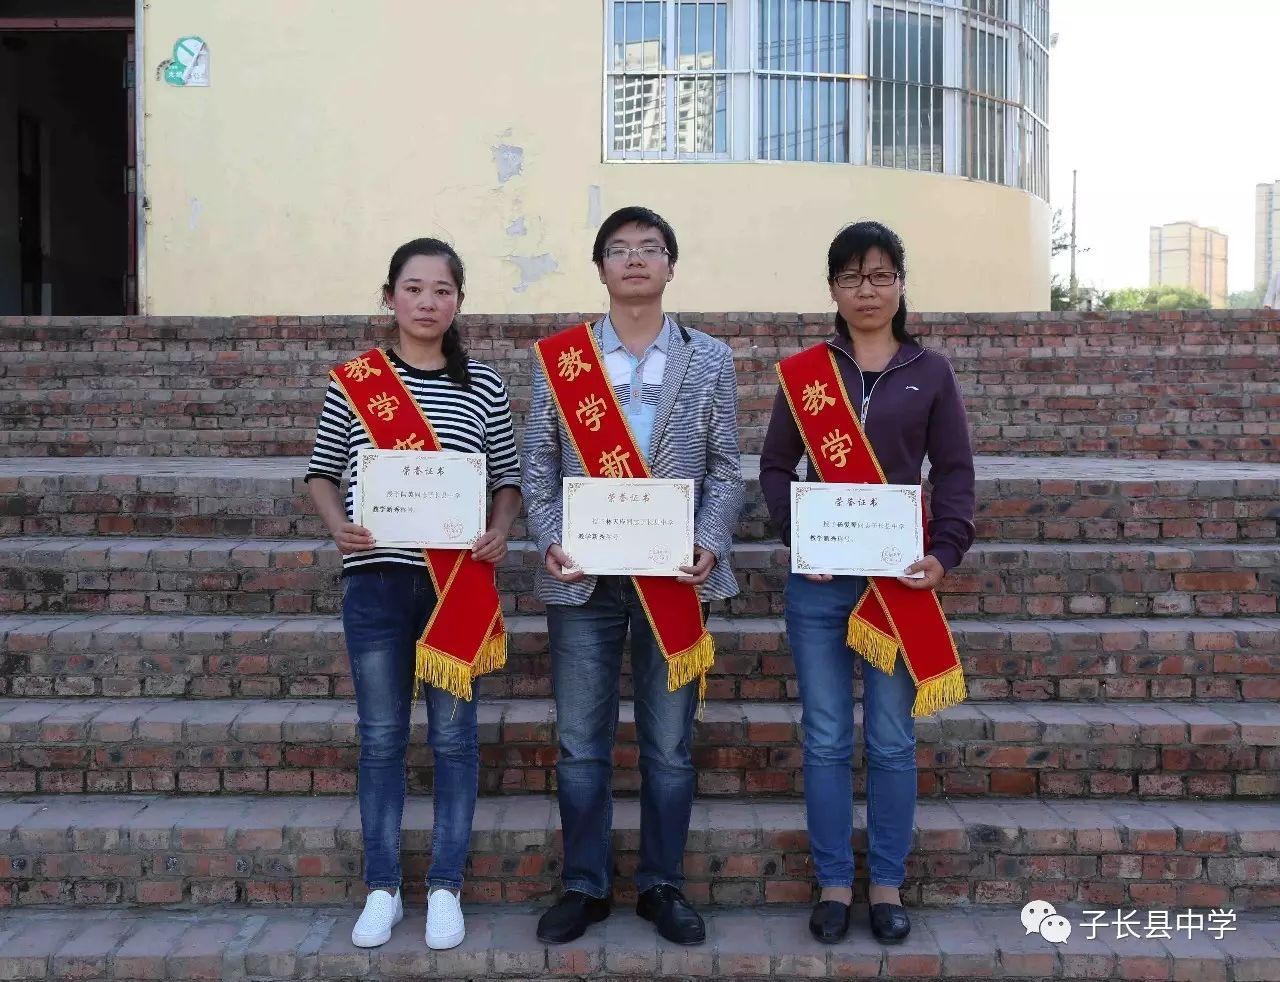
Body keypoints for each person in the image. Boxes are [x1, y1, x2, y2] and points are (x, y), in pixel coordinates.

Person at [521, 206, 745, 946]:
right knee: (582, 744)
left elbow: (724, 467)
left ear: (671, 267)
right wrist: (549, 539)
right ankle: (584, 885)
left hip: (671, 577)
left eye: (650, 249)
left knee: (669, 748)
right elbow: (538, 464)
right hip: (582, 577)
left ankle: (661, 884)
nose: (635, 259)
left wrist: (710, 542)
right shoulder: (561, 359)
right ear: (601, 269)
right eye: (619, 250)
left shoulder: (710, 358)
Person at [759, 221, 975, 946]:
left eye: (881, 275)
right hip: (821, 584)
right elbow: (773, 469)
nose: (867, 289)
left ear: (901, 284)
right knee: (824, 737)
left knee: (888, 738)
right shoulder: (807, 374)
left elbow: (955, 473)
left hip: (897, 584)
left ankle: (885, 882)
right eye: (852, 277)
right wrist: (800, 537)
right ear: (832, 289)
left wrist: (943, 553)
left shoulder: (930, 371)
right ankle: (831, 883)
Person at [304, 238, 522, 951]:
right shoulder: (356, 381)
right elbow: (321, 471)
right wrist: (339, 526)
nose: (429, 302)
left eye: (443, 290)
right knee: (382, 739)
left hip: (456, 585)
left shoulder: (482, 385)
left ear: (460, 300)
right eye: (415, 288)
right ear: (390, 295)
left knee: (456, 741)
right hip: (375, 583)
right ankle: (383, 887)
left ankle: (446, 887)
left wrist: (498, 531)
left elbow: (508, 480)